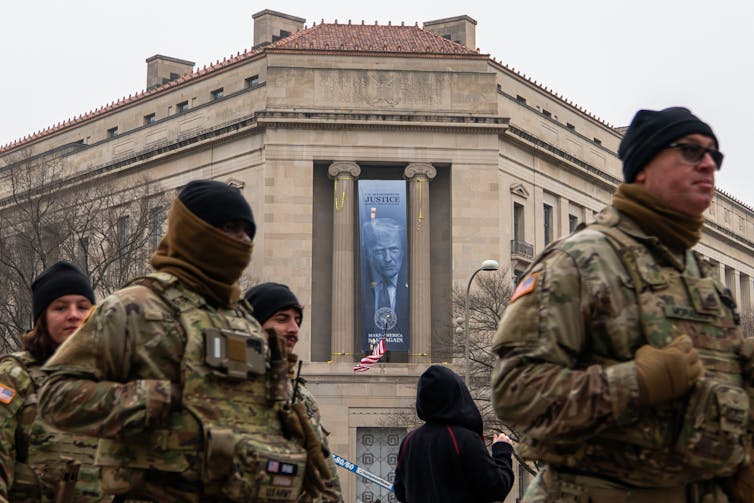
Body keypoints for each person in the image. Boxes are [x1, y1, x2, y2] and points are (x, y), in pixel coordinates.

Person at [491, 107, 754, 502]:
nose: (707, 165)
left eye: (713, 156)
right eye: (689, 151)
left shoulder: (701, 279)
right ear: (644, 166)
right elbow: (516, 394)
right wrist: (638, 382)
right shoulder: (582, 260)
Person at [39, 180, 330, 502]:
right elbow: (56, 397)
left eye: (248, 233)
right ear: (195, 232)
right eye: (230, 229)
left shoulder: (243, 320)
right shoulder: (135, 307)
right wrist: (153, 398)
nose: (242, 241)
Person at [0, 260, 106, 502]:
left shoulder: (112, 378)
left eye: (83, 306)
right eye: (60, 308)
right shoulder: (15, 376)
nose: (73, 315)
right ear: (42, 318)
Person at [244, 282, 343, 502]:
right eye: (282, 319)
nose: (294, 329)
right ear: (253, 324)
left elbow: (326, 478)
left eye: (297, 321)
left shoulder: (302, 398)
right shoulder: (229, 385)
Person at [393, 365, 514, 503]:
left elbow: (400, 491)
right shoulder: (465, 440)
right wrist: (502, 451)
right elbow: (496, 488)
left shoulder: (409, 441)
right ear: (457, 394)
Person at [360, 218, 409, 347]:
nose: (388, 258)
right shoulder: (361, 289)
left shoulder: (411, 289)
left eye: (393, 250)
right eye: (380, 251)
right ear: (370, 254)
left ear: (403, 252)